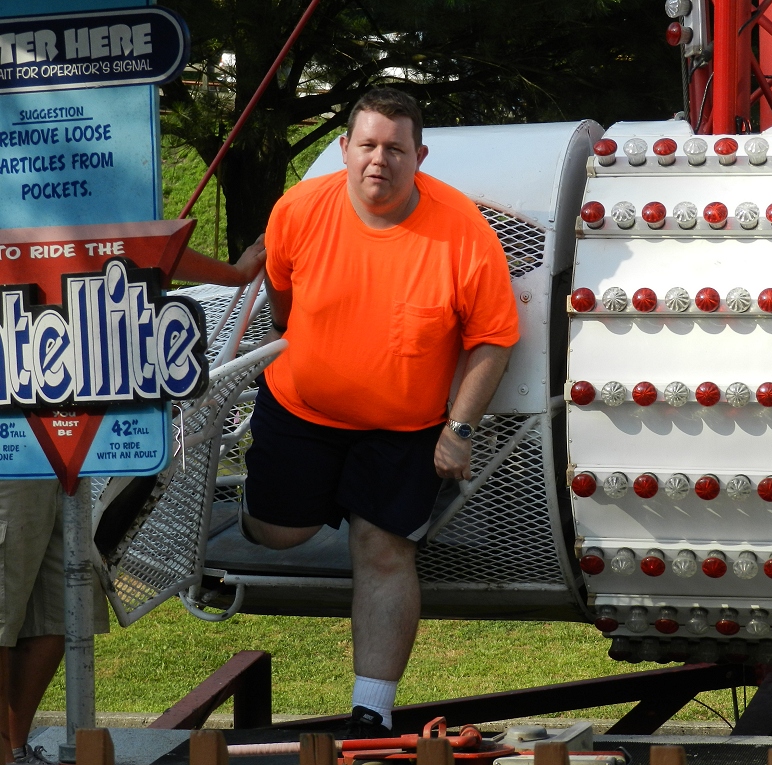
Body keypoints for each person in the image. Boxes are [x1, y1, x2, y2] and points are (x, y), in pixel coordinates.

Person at [238, 87, 519, 737]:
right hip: (300, 410)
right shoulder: (300, 209)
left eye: (395, 148)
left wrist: (460, 428)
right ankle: (298, 508)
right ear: (344, 150)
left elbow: (494, 338)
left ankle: (372, 711)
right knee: (283, 534)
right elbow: (279, 296)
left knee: (384, 550)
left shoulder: (462, 231)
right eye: (366, 145)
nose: (378, 160)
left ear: (420, 155)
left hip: (404, 428)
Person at [0, 238, 269, 765]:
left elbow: (143, 243)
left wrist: (236, 275)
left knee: (64, 603)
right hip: (12, 433)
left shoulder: (78, 198)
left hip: (65, 428)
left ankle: (14, 744)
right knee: (4, 604)